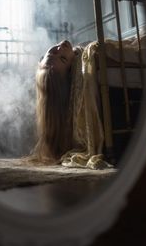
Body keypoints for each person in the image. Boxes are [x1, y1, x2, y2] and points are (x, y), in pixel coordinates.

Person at [33, 39, 112, 170]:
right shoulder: (80, 67)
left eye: (53, 51)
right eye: (63, 58)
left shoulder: (79, 52)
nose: (60, 48)